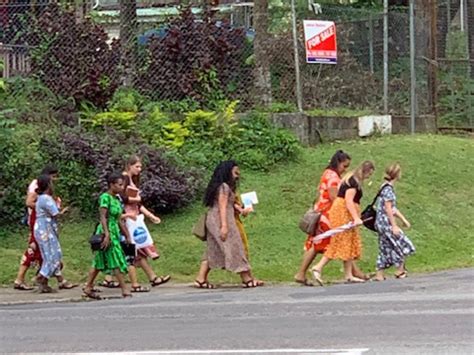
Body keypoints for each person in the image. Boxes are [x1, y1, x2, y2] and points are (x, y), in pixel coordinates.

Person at [102, 155, 170, 291]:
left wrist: (150, 215)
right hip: (126, 219)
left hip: (132, 217)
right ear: (129, 165)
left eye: (140, 167)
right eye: (137, 166)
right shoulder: (124, 178)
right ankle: (133, 283)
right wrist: (135, 200)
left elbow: (138, 204)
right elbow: (122, 198)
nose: (139, 169)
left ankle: (151, 277)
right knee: (131, 251)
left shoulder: (132, 180)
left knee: (135, 251)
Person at [194, 160, 263, 289]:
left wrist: (242, 210)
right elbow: (222, 207)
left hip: (219, 218)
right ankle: (246, 278)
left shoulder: (225, 187)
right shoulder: (223, 187)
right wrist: (224, 226)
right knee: (235, 246)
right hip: (221, 219)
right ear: (227, 172)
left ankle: (200, 278)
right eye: (235, 172)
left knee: (214, 248)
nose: (237, 175)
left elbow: (231, 204)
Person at [13, 165, 76, 291]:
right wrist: (53, 209)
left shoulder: (44, 196)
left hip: (44, 225)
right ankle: (35, 278)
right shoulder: (41, 192)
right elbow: (31, 203)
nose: (55, 180)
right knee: (42, 252)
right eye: (53, 177)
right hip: (42, 225)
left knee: (48, 253)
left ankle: (52, 280)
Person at [312, 160, 375, 284]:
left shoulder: (351, 179)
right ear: (365, 171)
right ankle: (318, 267)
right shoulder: (353, 182)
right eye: (369, 174)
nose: (369, 177)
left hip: (344, 211)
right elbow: (348, 201)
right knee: (340, 240)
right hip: (343, 213)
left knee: (349, 242)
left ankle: (348, 275)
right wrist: (356, 217)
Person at [294, 150, 351, 286]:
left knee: (318, 243)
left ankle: (301, 273)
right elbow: (334, 198)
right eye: (344, 166)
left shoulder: (327, 173)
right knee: (332, 242)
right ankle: (306, 271)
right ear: (338, 163)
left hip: (321, 212)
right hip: (327, 215)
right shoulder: (333, 177)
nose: (345, 170)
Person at [83, 173, 132, 299]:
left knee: (100, 259)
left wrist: (127, 235)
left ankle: (88, 286)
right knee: (114, 257)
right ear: (112, 185)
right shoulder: (105, 197)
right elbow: (103, 217)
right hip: (106, 231)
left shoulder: (116, 199)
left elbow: (119, 219)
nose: (122, 187)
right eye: (119, 185)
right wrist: (106, 234)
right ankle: (124, 289)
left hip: (114, 230)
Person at [373, 163, 415, 281]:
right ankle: (400, 270)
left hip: (380, 222)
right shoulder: (389, 190)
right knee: (402, 243)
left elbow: (392, 208)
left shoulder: (384, 186)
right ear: (397, 174)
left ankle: (379, 273)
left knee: (384, 247)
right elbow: (388, 208)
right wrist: (394, 225)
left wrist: (403, 219)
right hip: (386, 223)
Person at [33, 175, 69, 293]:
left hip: (42, 227)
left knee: (48, 255)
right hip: (45, 229)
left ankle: (44, 284)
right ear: (48, 185)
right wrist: (64, 211)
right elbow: (55, 213)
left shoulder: (41, 198)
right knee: (54, 255)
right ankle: (41, 276)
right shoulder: (46, 198)